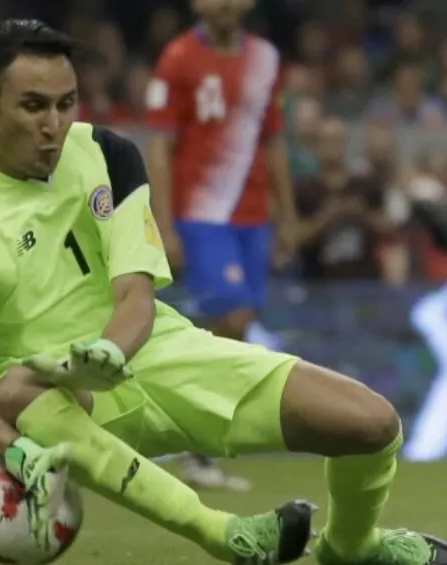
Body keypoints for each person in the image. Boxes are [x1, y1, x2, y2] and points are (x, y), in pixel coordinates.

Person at [0, 19, 447, 565]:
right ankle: (226, 534)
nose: (54, 125)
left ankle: (351, 548)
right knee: (14, 390)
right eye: (33, 106)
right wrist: (17, 454)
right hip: (63, 407)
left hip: (153, 356)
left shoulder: (107, 154)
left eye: (65, 104)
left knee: (371, 424)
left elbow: (135, 297)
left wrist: (109, 352)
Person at [144, 0, 299, 491]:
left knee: (238, 326)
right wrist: (163, 224)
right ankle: (194, 444)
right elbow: (160, 145)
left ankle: (197, 439)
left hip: (252, 215)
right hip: (202, 212)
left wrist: (288, 214)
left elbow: (273, 141)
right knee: (229, 319)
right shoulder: (178, 59)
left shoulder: (265, 60)